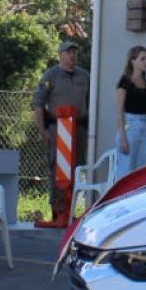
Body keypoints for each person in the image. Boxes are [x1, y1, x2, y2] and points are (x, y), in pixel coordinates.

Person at [32, 41, 90, 223]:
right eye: (68, 52)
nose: (72, 56)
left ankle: (73, 209)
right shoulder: (51, 76)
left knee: (78, 167)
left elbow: (91, 101)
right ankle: (58, 210)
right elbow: (38, 103)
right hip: (58, 127)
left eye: (74, 52)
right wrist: (42, 129)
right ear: (60, 55)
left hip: (79, 128)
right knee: (58, 168)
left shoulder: (84, 76)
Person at [115, 46, 146, 175]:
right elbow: (120, 110)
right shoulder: (125, 82)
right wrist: (123, 137)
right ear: (133, 61)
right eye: (142, 59)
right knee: (127, 167)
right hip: (130, 125)